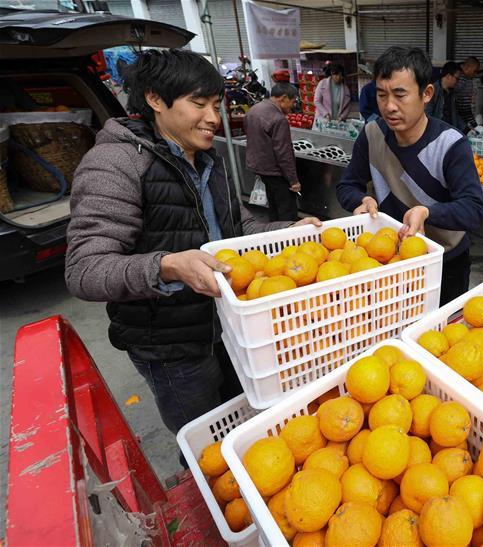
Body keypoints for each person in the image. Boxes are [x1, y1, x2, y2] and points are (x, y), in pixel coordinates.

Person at [64, 49, 321, 438]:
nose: (213, 119)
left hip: (230, 327)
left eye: (216, 105)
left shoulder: (207, 159)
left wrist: (294, 232)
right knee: (205, 443)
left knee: (249, 426)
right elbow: (85, 269)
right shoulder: (116, 163)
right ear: (154, 99)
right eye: (198, 104)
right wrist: (166, 266)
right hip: (171, 346)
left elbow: (238, 228)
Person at [337, 47, 483, 305]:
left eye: (400, 95)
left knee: (440, 337)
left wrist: (427, 212)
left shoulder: (450, 144)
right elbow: (348, 185)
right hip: (390, 259)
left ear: (427, 94)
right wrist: (360, 200)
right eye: (382, 95)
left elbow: (474, 208)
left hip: (445, 261)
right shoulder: (372, 134)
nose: (389, 106)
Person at [245, 82, 302, 221]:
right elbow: (284, 153)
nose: (293, 106)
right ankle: (288, 239)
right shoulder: (278, 119)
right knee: (286, 211)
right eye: (292, 101)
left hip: (260, 168)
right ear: (283, 98)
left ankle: (274, 236)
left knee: (274, 207)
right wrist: (293, 181)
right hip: (276, 171)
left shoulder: (254, 109)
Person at [454, 56, 483, 135]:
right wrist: (473, 125)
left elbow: (466, 106)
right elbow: (461, 106)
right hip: (453, 120)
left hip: (461, 122)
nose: (475, 74)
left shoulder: (468, 80)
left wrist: (474, 125)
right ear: (468, 67)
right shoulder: (457, 79)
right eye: (474, 71)